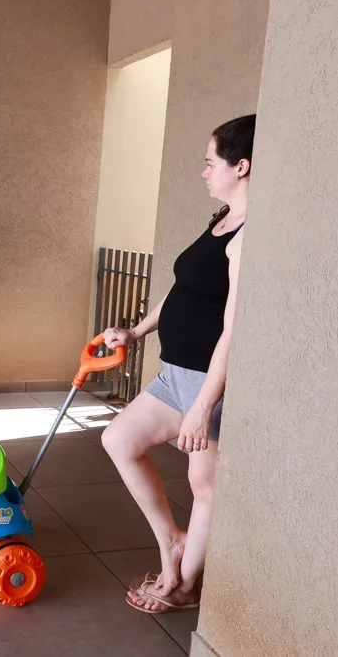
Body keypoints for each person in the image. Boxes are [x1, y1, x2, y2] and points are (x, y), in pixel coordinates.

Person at [101, 115, 256, 613]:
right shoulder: (220, 221)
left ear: (242, 166)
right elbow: (182, 288)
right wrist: (137, 330)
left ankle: (185, 586)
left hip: (210, 382)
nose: (204, 172)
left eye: (211, 163)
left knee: (202, 485)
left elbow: (235, 329)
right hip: (176, 374)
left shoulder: (248, 237)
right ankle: (172, 540)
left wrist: (203, 406)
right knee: (119, 439)